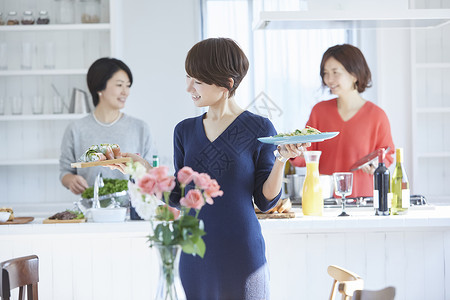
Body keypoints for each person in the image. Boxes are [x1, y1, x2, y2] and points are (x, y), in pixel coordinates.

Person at [166, 38, 307, 300]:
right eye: (188, 78)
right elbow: (178, 196)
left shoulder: (259, 128)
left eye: (197, 81)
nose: (188, 88)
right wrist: (138, 169)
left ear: (227, 84)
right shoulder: (184, 131)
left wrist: (281, 160)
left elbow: (265, 201)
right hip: (195, 254)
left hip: (242, 254)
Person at [290, 44, 395, 197]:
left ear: (355, 74)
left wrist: (377, 165)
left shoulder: (377, 116)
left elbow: (387, 155)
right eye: (325, 73)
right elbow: (307, 154)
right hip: (325, 199)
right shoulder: (319, 112)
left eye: (335, 72)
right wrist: (294, 150)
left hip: (363, 201)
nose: (328, 79)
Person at [59, 57, 155, 195]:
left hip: (132, 212)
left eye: (128, 86)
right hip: (91, 212)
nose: (125, 92)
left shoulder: (141, 128)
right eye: (119, 85)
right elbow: (65, 172)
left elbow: (152, 170)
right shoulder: (76, 129)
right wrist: (71, 180)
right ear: (100, 87)